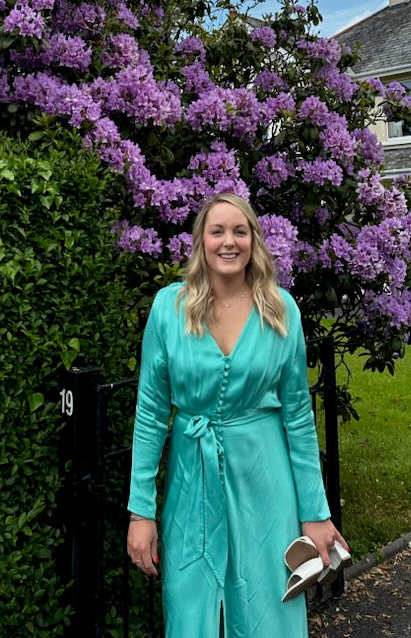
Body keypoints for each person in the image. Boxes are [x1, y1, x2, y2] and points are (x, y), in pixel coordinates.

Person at [126, 192, 348, 637]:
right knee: (192, 608)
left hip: (266, 483)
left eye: (240, 231)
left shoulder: (281, 309)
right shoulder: (169, 309)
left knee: (270, 609)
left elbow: (299, 419)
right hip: (192, 483)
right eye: (218, 231)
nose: (229, 242)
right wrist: (141, 513)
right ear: (201, 242)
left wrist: (315, 513)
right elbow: (150, 413)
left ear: (253, 242)